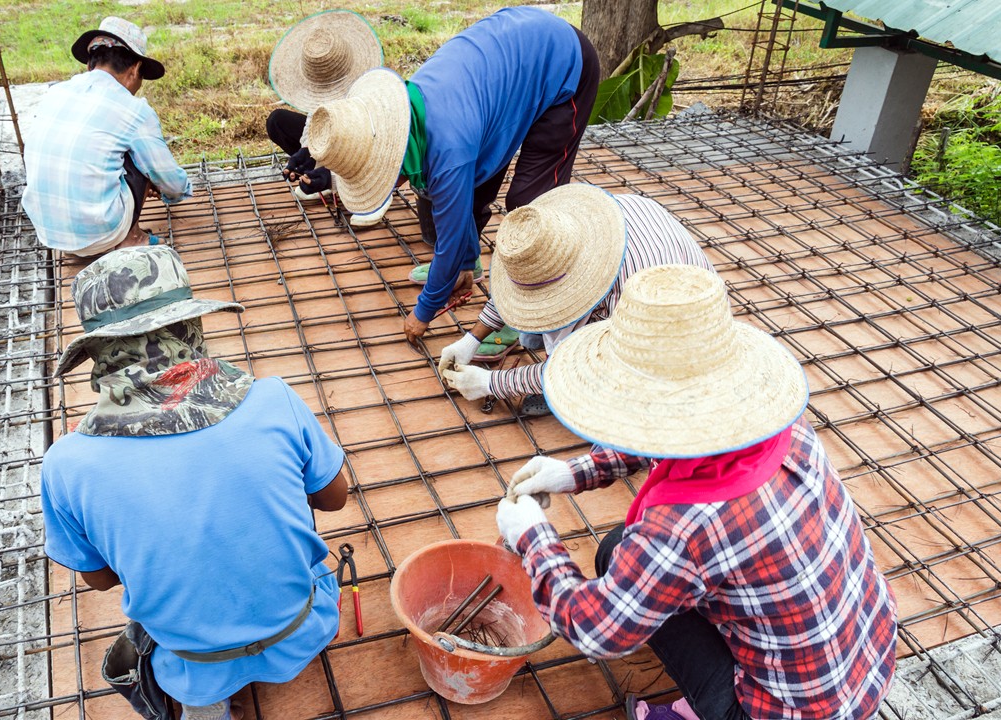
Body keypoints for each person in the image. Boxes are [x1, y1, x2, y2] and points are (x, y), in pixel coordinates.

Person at [495, 264, 898, 720]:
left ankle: (717, 708)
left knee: (623, 565)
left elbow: (595, 630)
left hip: (792, 713)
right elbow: (675, 438)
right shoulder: (777, 422)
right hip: (869, 655)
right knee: (621, 552)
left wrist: (531, 535)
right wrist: (574, 473)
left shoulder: (684, 528)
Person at [40, 246, 349, 720]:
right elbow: (335, 498)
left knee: (164, 644)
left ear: (100, 355)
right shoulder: (273, 400)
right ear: (192, 326)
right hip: (304, 630)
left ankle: (209, 709)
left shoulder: (66, 465)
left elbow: (99, 579)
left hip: (197, 665)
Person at [305, 7, 600, 342]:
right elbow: (460, 214)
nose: (392, 186)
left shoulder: (449, 151)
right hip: (513, 62)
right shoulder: (406, 108)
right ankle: (468, 268)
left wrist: (422, 313)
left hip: (565, 64)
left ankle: (522, 314)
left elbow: (449, 241)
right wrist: (464, 262)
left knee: (531, 207)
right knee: (474, 191)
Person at [436, 183, 712, 414]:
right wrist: (471, 339)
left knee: (610, 390)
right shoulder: (577, 229)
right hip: (650, 272)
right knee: (536, 331)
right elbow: (523, 284)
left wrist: (492, 383)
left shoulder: (629, 300)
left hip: (683, 332)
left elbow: (580, 367)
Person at [22, 17, 191, 257]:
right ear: (135, 70)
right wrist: (173, 189)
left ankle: (81, 241)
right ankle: (132, 238)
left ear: (91, 65)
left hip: (49, 234)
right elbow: (170, 180)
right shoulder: (133, 110)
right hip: (100, 235)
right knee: (141, 157)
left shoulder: (55, 93)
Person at [264, 10, 388, 226]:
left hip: (363, 148)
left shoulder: (372, 92)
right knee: (277, 121)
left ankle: (349, 184)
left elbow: (377, 150)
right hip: (335, 138)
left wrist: (333, 176)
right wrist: (307, 150)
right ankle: (318, 172)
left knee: (350, 163)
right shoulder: (319, 87)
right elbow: (316, 118)